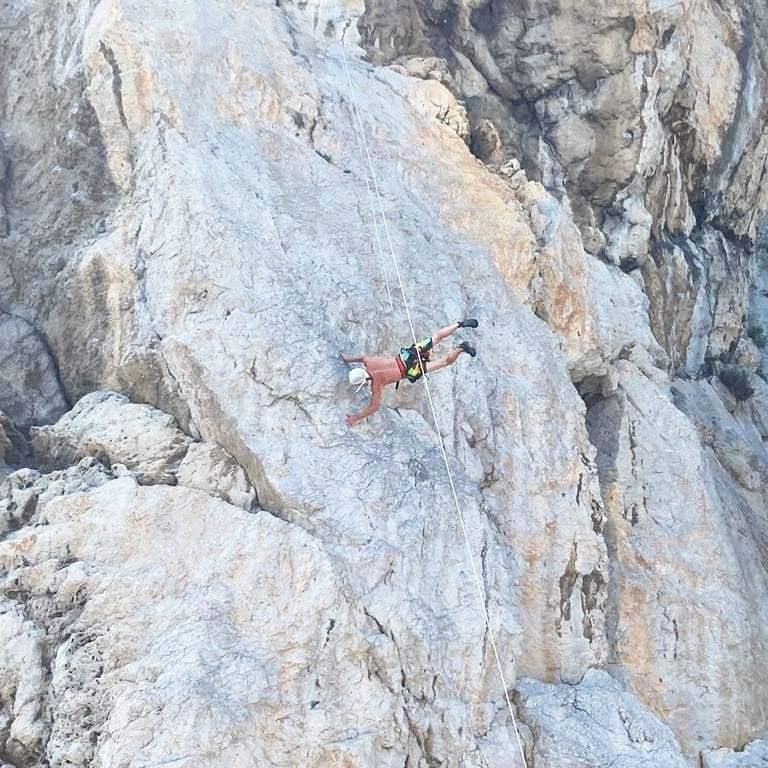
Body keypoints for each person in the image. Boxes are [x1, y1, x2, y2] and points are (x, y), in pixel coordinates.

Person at [341, 319, 478, 426]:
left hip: (411, 370)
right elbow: (362, 357)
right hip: (407, 356)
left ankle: (461, 349)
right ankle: (459, 325)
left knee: (444, 362)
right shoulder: (369, 362)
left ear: (364, 382)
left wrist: (357, 417)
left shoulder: (376, 383)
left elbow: (374, 407)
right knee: (436, 337)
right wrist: (348, 358)